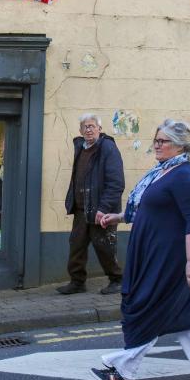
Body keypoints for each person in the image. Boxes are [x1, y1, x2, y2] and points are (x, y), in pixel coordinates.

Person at [91, 119, 190, 380]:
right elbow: (148, 208)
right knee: (182, 312)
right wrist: (118, 217)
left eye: (163, 141)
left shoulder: (184, 176)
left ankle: (123, 370)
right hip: (153, 253)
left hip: (169, 258)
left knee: (150, 305)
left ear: (180, 146)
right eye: (156, 140)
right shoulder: (163, 172)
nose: (157, 145)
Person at [58, 113, 125, 295]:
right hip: (81, 208)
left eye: (92, 126)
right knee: (76, 245)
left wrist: (103, 208)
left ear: (99, 129)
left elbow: (116, 183)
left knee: (104, 246)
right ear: (80, 130)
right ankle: (77, 282)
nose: (88, 129)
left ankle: (117, 280)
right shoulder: (80, 147)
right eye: (85, 126)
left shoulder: (108, 148)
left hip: (100, 209)